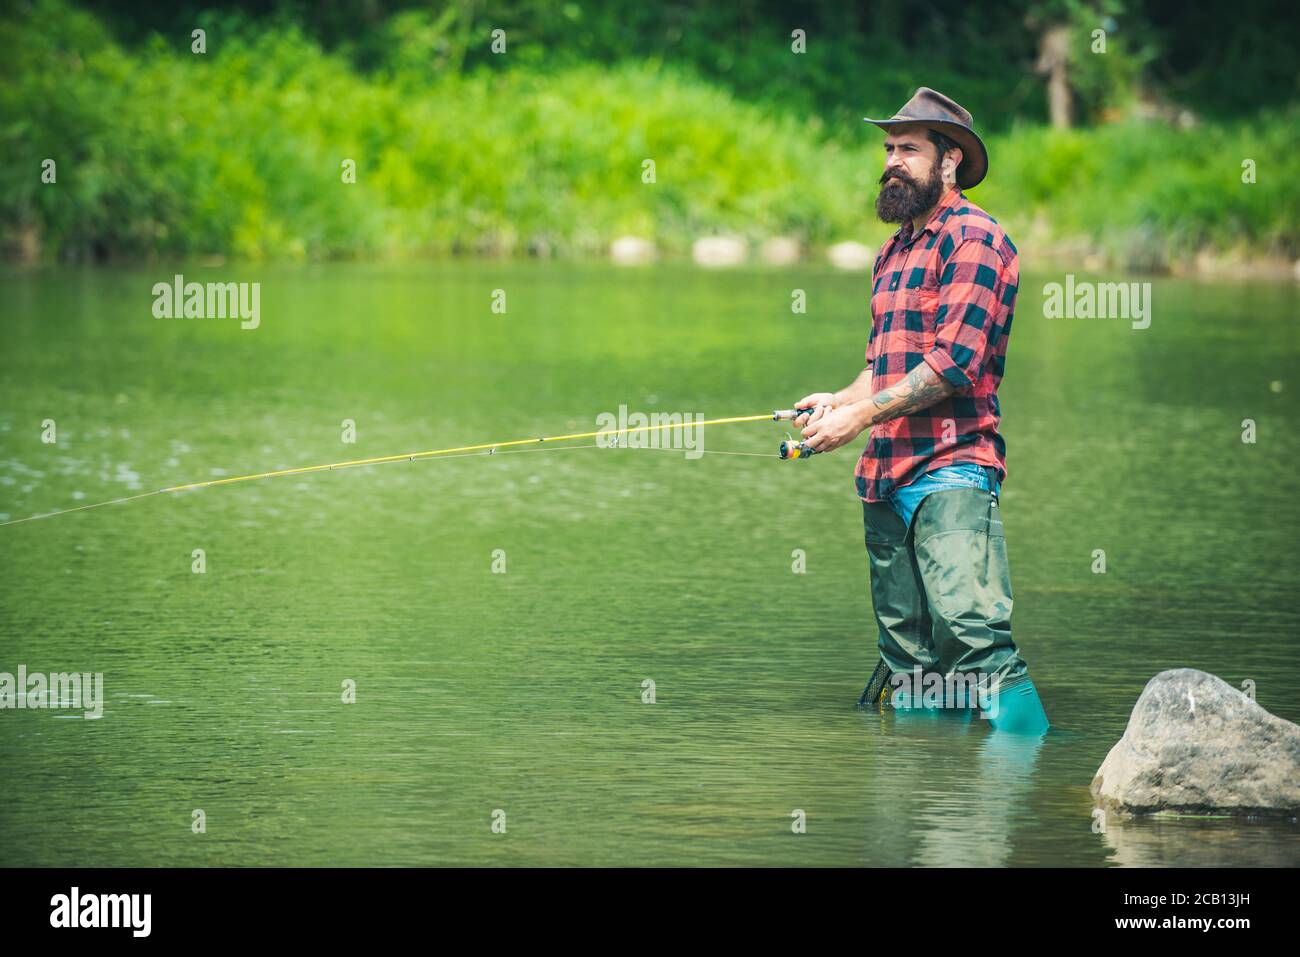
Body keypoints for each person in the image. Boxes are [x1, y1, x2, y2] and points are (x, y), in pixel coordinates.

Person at [794, 87, 1049, 735]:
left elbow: (956, 361)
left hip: (953, 469)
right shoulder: (893, 251)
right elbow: (888, 364)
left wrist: (858, 418)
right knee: (906, 657)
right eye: (888, 148)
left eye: (909, 148)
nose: (892, 161)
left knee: (974, 636)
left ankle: (1023, 778)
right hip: (884, 477)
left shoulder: (976, 239)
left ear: (950, 162)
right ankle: (925, 792)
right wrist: (841, 400)